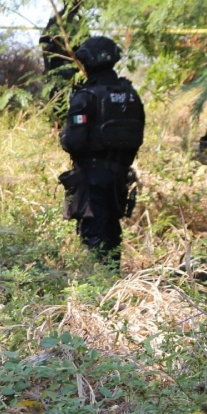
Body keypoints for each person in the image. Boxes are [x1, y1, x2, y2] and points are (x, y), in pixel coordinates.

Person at [58, 35, 145, 266]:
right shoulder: (129, 93)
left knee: (94, 237)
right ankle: (115, 283)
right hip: (120, 177)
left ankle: (99, 292)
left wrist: (63, 136)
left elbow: (74, 142)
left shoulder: (86, 97)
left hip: (92, 178)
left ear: (87, 61)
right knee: (112, 233)